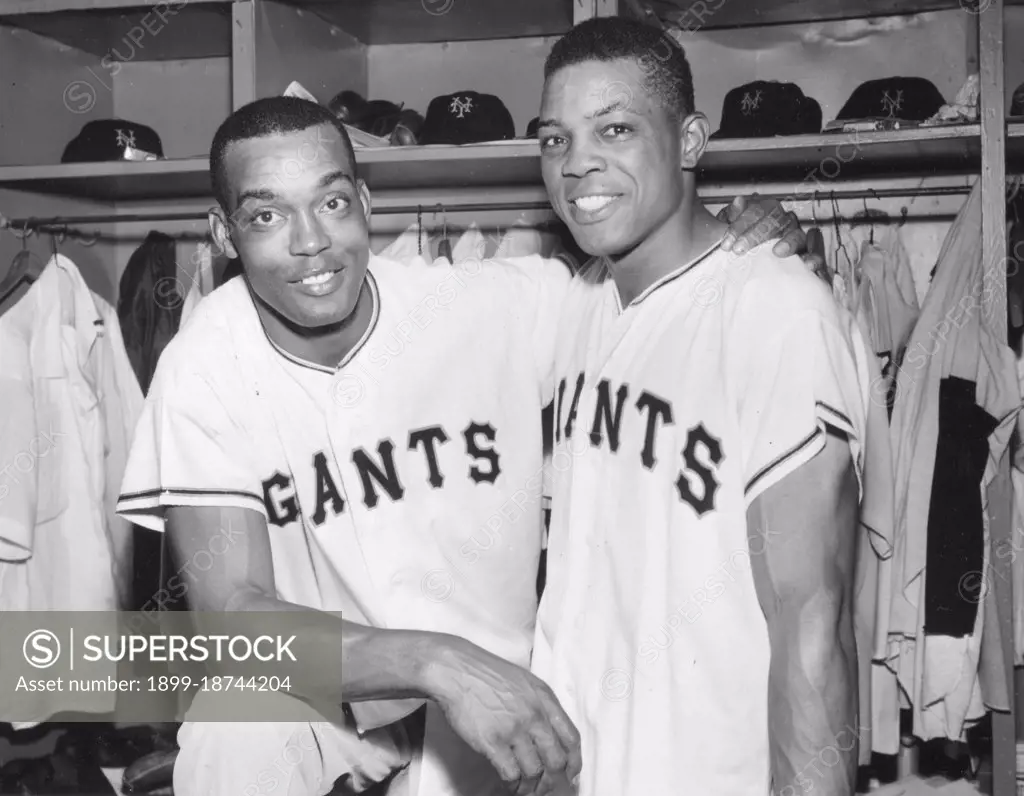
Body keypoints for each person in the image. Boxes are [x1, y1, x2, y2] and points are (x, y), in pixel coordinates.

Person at [115, 94, 819, 796]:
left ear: (364, 201)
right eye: (268, 216)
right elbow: (232, 616)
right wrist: (437, 663)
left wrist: (735, 253)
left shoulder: (494, 305)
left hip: (503, 683)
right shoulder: (206, 358)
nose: (310, 244)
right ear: (223, 234)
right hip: (335, 693)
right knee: (233, 731)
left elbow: (656, 296)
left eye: (331, 204)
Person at [531, 17, 869, 796]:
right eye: (556, 139)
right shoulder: (574, 304)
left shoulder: (777, 309)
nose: (578, 164)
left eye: (614, 129)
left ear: (689, 141)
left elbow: (812, 615)